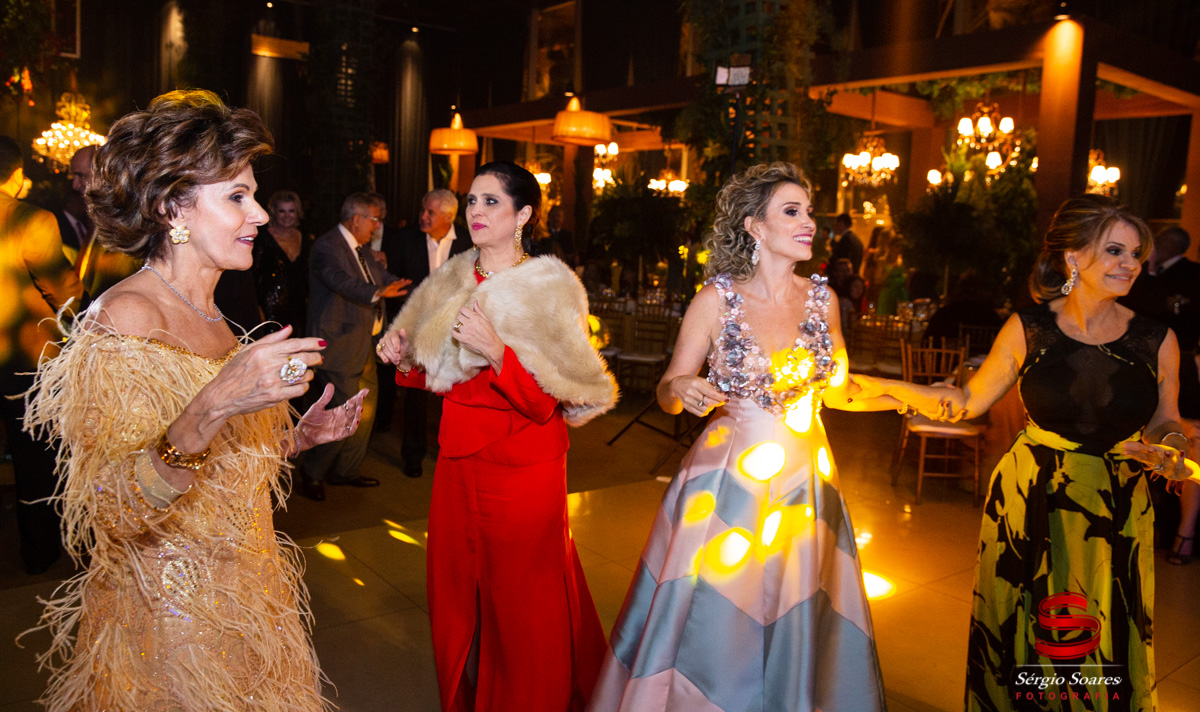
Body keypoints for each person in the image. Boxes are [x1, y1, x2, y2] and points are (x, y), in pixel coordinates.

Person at [18, 90, 365, 711]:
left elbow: (220, 471)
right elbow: (112, 510)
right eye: (237, 196)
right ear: (171, 206)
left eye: (254, 195)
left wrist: (294, 439)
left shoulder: (217, 318)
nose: (260, 214)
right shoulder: (125, 318)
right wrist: (213, 404)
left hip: (250, 595)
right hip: (171, 625)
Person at [587, 162, 950, 711]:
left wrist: (912, 394)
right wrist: (680, 387)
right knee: (714, 615)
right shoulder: (716, 300)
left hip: (805, 483)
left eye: (809, 212)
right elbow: (667, 390)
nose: (809, 223)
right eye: (792, 211)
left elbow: (841, 390)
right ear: (755, 226)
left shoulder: (823, 301)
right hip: (726, 484)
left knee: (795, 607)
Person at [921, 196, 1180, 710]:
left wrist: (1171, 447)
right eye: (1115, 250)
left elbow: (1165, 420)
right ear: (1074, 257)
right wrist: (881, 390)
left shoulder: (1157, 338)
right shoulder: (1029, 327)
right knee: (1030, 621)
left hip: (1115, 503)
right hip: (1031, 494)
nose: (1130, 264)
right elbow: (970, 400)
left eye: (1136, 254)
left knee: (1099, 625)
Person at [377, 161, 617, 711]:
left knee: (524, 602)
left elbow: (546, 402)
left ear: (523, 214)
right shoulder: (453, 278)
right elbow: (436, 375)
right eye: (471, 201)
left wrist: (497, 352)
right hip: (458, 462)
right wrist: (405, 357)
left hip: (523, 467)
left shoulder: (551, 286)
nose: (476, 212)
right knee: (457, 592)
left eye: (491, 201)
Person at [0, 135, 84, 574]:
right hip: (25, 362)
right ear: (16, 175)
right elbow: (62, 292)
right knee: (35, 461)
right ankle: (39, 553)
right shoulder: (29, 217)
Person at [297, 193, 409, 501]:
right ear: (357, 219)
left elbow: (385, 279)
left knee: (365, 413)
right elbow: (341, 281)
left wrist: (419, 291)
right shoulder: (327, 247)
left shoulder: (362, 249)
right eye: (374, 219)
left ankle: (345, 471)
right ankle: (312, 472)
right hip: (338, 345)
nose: (377, 226)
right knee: (343, 414)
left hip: (365, 344)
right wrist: (379, 292)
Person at [1121, 225, 1200, 564]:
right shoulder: (1136, 276)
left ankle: (1183, 532)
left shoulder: (1191, 276)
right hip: (1138, 366)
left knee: (1186, 440)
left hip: (1181, 369)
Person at [384, 188, 471, 475]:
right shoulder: (404, 239)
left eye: (430, 212)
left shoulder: (469, 242)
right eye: (423, 209)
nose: (422, 216)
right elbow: (391, 278)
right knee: (416, 392)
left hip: (456, 328)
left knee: (457, 390)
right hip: (417, 327)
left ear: (449, 216)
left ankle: (454, 451)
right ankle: (413, 454)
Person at [60, 144, 143, 298]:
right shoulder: (95, 218)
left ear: (105, 174)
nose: (75, 185)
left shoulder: (129, 221)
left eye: (81, 176)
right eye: (73, 177)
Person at [252, 190, 313, 334]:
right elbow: (253, 275)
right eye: (282, 211)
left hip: (299, 306)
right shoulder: (262, 238)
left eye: (291, 211)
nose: (287, 216)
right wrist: (256, 307)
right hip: (270, 306)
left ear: (298, 213)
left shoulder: (305, 238)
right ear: (274, 213)